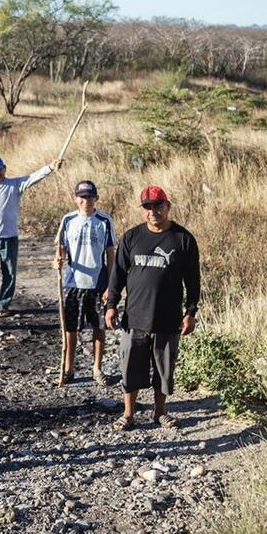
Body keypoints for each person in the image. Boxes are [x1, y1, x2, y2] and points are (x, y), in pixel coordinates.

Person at [104, 185, 199, 431]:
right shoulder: (132, 237)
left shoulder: (183, 239)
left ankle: (160, 413)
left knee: (163, 370)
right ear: (142, 210)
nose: (153, 211)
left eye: (158, 206)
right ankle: (128, 414)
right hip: (135, 316)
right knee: (130, 367)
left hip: (168, 318)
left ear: (168, 206)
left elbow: (193, 280)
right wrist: (112, 305)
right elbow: (118, 275)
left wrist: (190, 312)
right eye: (147, 207)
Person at [0, 155, 62, 316]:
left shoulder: (15, 185)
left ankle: (3, 306)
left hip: (9, 238)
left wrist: (50, 168)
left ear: (5, 168)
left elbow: (33, 178)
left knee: (9, 274)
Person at [53, 180, 116, 387]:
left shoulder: (104, 221)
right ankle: (68, 368)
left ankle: (97, 368)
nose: (85, 200)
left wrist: (110, 284)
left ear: (96, 198)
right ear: (75, 198)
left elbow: (110, 254)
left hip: (97, 282)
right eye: (82, 196)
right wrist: (58, 259)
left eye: (89, 196)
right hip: (73, 282)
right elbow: (61, 247)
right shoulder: (68, 220)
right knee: (71, 328)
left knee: (99, 327)